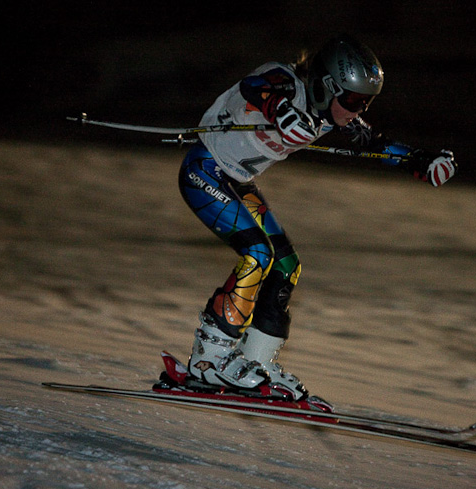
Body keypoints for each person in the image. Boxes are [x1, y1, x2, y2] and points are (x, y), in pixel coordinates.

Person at [177, 34, 456, 401]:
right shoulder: (285, 81)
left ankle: (256, 363)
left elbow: (374, 143)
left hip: (237, 181)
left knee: (286, 265)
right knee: (257, 255)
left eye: (366, 102)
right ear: (326, 86)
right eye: (353, 100)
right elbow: (255, 87)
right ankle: (208, 361)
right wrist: (280, 109)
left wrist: (418, 159)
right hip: (205, 170)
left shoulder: (331, 116)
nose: (358, 110)